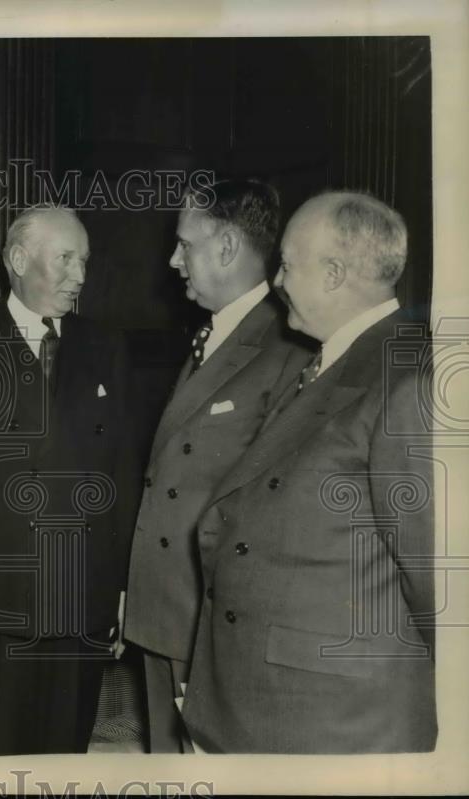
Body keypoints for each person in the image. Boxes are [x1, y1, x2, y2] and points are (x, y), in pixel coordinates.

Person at [181, 191, 436, 753]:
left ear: (335, 274)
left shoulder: (408, 379)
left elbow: (439, 586)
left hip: (334, 721)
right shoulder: (328, 361)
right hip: (268, 703)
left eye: (289, 266)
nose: (276, 281)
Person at [0, 205, 140, 755]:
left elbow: (124, 475)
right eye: (65, 259)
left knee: (68, 757)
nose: (79, 276)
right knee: (2, 759)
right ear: (18, 259)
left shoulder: (105, 346)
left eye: (84, 261)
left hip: (83, 599)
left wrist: (125, 590)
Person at [119, 179, 311, 752]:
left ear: (226, 247)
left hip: (213, 620)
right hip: (168, 607)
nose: (173, 260)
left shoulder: (288, 347)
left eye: (185, 245)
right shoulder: (212, 333)